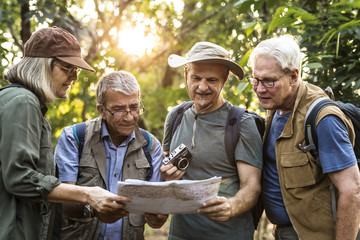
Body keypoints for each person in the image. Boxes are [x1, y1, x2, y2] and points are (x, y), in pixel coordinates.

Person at [0, 26, 128, 240]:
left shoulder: (26, 103)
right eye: (69, 68)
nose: (75, 77)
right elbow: (19, 178)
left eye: (76, 70)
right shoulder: (23, 102)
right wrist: (88, 194)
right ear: (43, 65)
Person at [248, 35, 360, 240]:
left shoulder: (323, 120)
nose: (260, 89)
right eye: (256, 79)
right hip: (283, 232)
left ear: (293, 76)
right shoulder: (276, 107)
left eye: (269, 81)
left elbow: (352, 190)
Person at [161, 42, 263, 239]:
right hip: (180, 234)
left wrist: (232, 206)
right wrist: (164, 176)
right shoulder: (175, 116)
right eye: (196, 78)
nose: (202, 87)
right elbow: (164, 172)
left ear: (225, 79)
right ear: (186, 74)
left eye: (212, 80)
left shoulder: (241, 123)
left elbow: (251, 185)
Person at [54, 70, 168, 240]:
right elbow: (61, 201)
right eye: (119, 109)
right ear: (101, 110)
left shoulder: (150, 146)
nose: (129, 117)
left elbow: (154, 210)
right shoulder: (75, 137)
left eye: (135, 107)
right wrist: (92, 210)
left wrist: (157, 217)